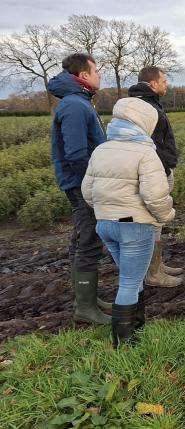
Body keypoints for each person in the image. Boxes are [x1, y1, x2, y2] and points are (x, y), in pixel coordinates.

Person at [82, 98, 175, 346]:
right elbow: (155, 195)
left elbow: (87, 192)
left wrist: (108, 209)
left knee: (129, 276)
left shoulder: (101, 149)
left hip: (105, 224)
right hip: (135, 226)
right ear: (145, 123)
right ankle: (125, 343)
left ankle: (137, 326)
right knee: (131, 281)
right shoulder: (146, 152)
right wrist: (167, 216)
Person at [48, 53, 111, 326]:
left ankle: (87, 298)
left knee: (81, 238)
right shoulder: (75, 106)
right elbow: (76, 153)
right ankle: (85, 308)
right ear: (84, 76)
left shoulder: (80, 102)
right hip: (82, 185)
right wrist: (91, 186)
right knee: (88, 240)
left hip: (81, 182)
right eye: (96, 71)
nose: (100, 75)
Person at [129, 66, 182, 288]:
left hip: (160, 170)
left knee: (157, 222)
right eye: (164, 81)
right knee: (152, 220)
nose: (166, 84)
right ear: (153, 84)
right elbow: (148, 145)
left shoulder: (149, 103)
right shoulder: (146, 108)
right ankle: (152, 272)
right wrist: (162, 167)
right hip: (155, 173)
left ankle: (157, 265)